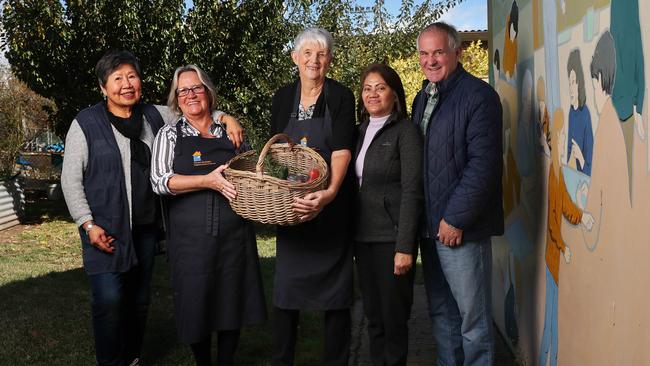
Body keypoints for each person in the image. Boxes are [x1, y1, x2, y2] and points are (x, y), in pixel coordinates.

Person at [61, 50, 243, 366]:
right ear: (103, 87)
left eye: (132, 76)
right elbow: (70, 180)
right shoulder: (85, 124)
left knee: (140, 300)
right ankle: (110, 361)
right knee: (110, 299)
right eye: (117, 78)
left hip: (145, 228)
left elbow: (196, 107)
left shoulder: (154, 115)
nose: (126, 84)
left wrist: (227, 117)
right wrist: (86, 223)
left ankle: (132, 357)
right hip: (105, 227)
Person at [150, 64, 266, 366]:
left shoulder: (230, 131)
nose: (191, 94)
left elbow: (252, 172)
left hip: (234, 234)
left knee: (231, 302)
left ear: (208, 92)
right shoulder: (168, 135)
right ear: (176, 98)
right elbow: (160, 181)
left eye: (197, 87)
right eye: (183, 90)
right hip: (191, 238)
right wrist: (207, 180)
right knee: (196, 303)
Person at [411, 22, 504, 366]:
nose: (430, 60)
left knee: (473, 323)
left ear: (457, 52)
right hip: (430, 229)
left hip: (460, 230)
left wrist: (455, 218)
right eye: (424, 53)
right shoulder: (423, 97)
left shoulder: (479, 97)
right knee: (442, 315)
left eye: (438, 52)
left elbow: (484, 166)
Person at [269, 27, 356, 366]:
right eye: (307, 53)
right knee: (286, 295)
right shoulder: (281, 98)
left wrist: (330, 193)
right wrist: (282, 196)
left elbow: (342, 150)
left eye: (321, 54)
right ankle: (282, 361)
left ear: (330, 60)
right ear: (295, 58)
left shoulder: (341, 97)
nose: (313, 60)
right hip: (292, 211)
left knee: (336, 300)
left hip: (330, 211)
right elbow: (275, 152)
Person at [353, 63, 423, 366]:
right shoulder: (357, 132)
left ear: (395, 94)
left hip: (391, 240)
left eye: (380, 87)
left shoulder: (405, 132)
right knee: (374, 320)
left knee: (394, 321)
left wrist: (405, 247)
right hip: (362, 238)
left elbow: (412, 191)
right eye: (367, 88)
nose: (373, 94)